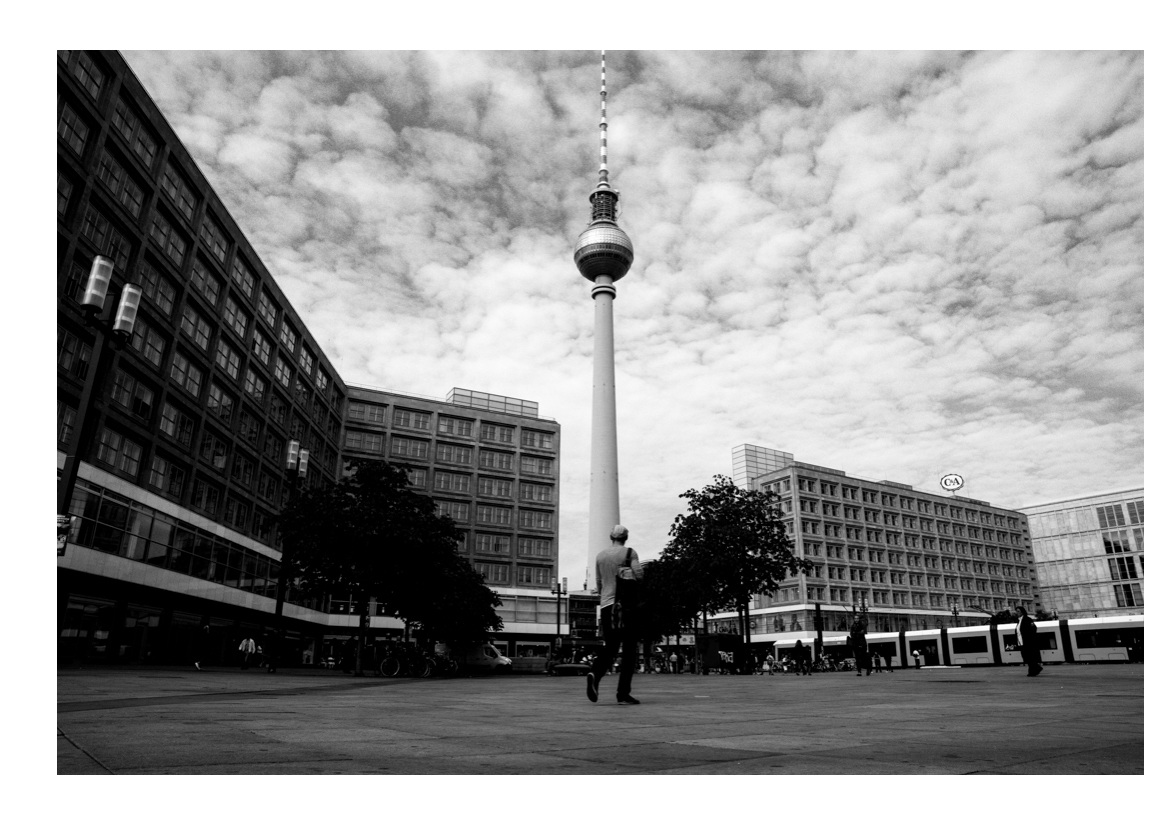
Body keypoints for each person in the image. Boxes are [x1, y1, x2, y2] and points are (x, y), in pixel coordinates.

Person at [586, 525, 644, 705]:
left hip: (606, 605)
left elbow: (598, 582)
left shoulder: (600, 556)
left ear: (611, 536)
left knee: (611, 646)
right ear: (625, 537)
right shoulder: (629, 553)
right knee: (629, 650)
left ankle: (595, 674)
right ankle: (622, 693)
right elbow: (640, 574)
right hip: (626, 606)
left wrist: (606, 595)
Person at [1015, 606, 1043, 677]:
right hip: (1021, 642)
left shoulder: (1027, 619)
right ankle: (1036, 668)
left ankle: (1032, 671)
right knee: (1026, 657)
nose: (1017, 613)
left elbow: (1033, 629)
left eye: (1018, 611)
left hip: (1028, 642)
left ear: (1022, 612)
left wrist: (1030, 638)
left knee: (1030, 657)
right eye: (1016, 611)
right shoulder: (1018, 621)